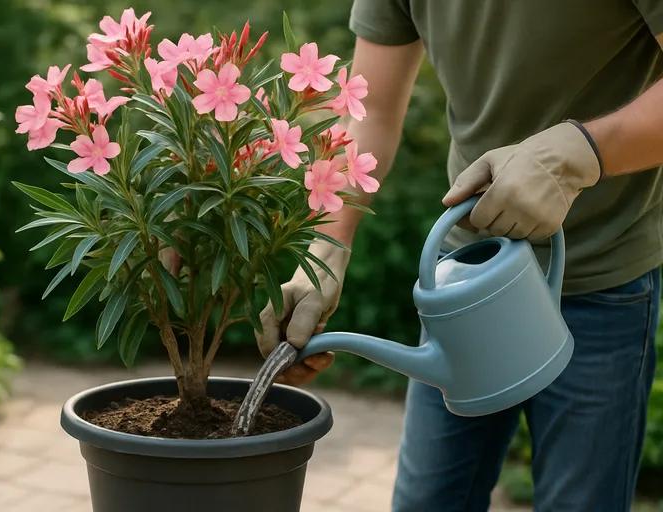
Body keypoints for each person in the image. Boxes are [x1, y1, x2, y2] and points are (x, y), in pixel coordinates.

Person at [256, 1, 663, 511]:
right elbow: (372, 110)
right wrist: (326, 249)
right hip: (464, 284)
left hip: (603, 277)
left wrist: (580, 151)